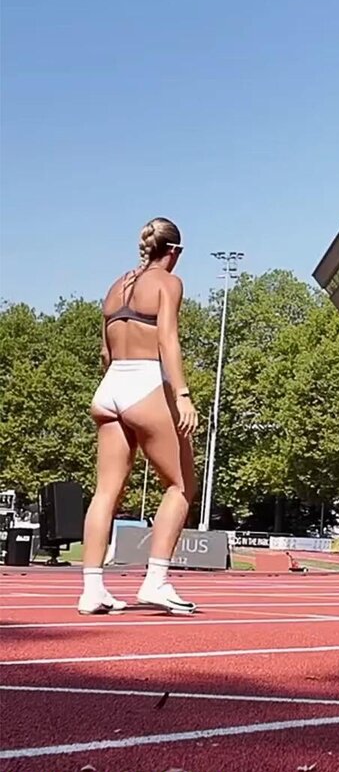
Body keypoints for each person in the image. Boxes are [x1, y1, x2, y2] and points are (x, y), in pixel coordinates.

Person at [78, 218, 199, 615]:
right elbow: (167, 339)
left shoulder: (116, 286)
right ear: (174, 251)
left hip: (110, 386)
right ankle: (156, 581)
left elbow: (105, 353)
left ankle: (92, 590)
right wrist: (182, 394)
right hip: (145, 383)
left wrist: (116, 393)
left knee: (106, 492)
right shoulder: (168, 283)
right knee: (180, 486)